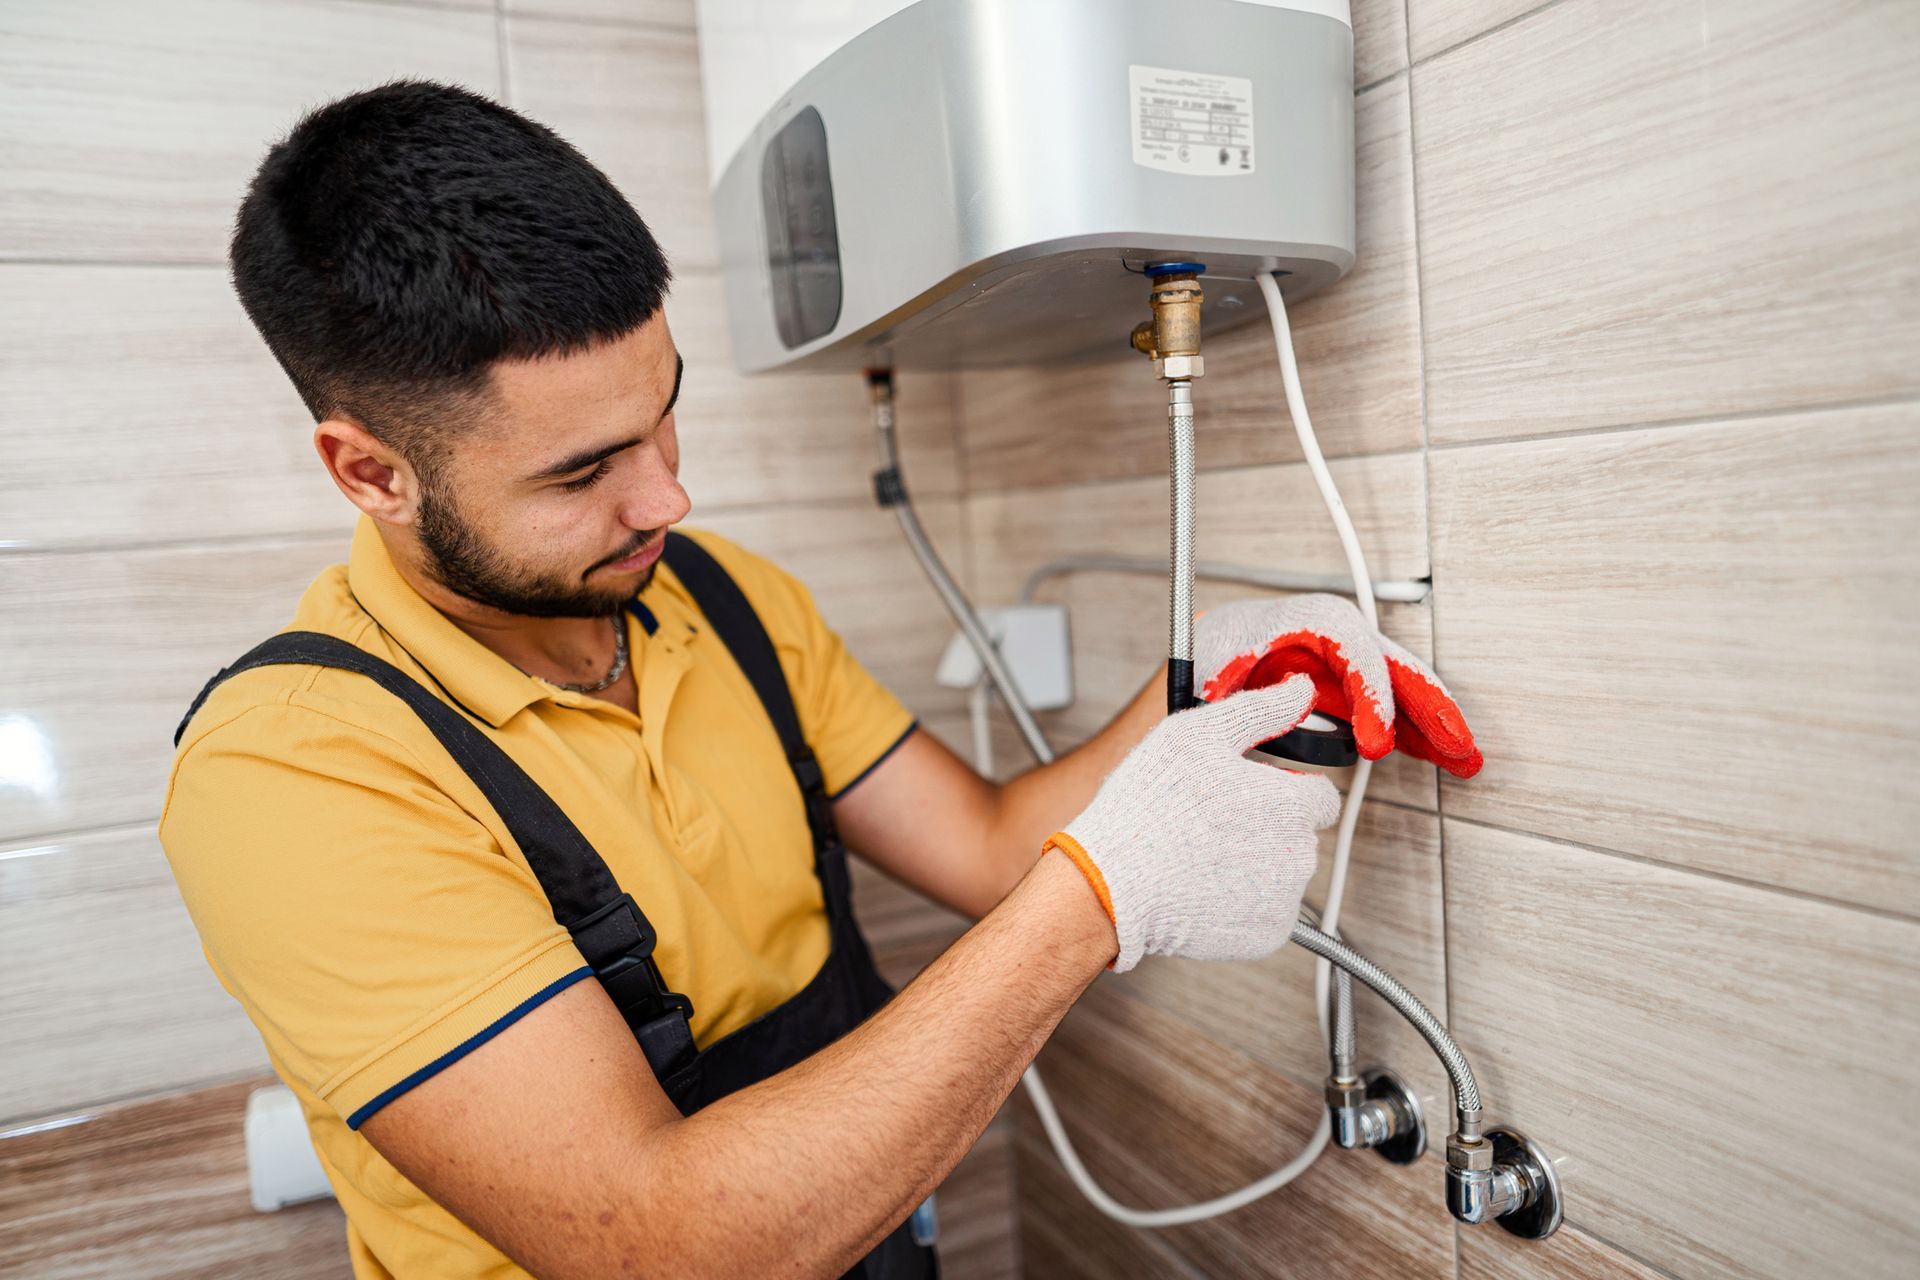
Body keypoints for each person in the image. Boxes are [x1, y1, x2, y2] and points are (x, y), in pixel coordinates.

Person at [160, 81, 1481, 1280]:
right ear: (373, 473)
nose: (667, 495)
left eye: (663, 410)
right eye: (580, 474)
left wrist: (1214, 671)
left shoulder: (721, 597)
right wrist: (1105, 895)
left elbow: (988, 846)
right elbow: (669, 1245)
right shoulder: (292, 776)